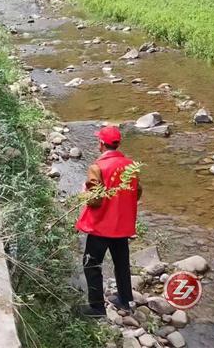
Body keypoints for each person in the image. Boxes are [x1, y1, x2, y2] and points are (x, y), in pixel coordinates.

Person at [75, 126, 142, 317]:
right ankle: (126, 300)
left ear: (102, 144)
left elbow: (95, 200)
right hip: (122, 226)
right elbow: (137, 192)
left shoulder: (97, 167)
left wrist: (84, 193)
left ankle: (97, 308)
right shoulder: (131, 166)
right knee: (121, 263)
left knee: (92, 264)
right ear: (118, 143)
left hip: (101, 227)